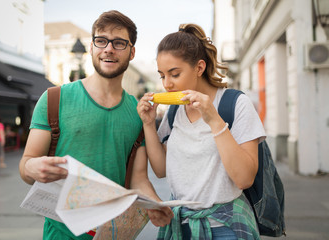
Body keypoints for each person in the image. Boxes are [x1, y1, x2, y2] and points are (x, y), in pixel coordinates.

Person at [19, 10, 173, 240]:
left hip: (113, 233)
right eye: (101, 41)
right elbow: (26, 165)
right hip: (61, 234)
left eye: (119, 43)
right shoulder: (54, 99)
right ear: (91, 47)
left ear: (132, 53)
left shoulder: (138, 112)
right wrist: (31, 168)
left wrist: (155, 203)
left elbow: (138, 179)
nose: (108, 48)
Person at [137, 23, 266, 239]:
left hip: (227, 228)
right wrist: (149, 124)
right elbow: (160, 170)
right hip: (182, 226)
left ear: (199, 68)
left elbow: (244, 179)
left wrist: (214, 119)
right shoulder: (174, 112)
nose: (167, 84)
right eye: (162, 76)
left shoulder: (235, 104)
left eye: (174, 74)